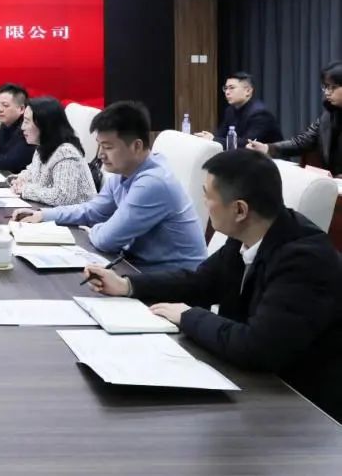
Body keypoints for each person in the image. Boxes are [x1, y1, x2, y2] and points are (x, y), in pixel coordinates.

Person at [83, 149, 342, 421]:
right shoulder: (248, 234)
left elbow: (258, 347)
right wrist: (127, 285)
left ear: (240, 210)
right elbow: (200, 282)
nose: (203, 202)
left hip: (302, 408)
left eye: (208, 195)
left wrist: (188, 316)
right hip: (254, 385)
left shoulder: (304, 260)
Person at [13, 101, 206, 271]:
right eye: (100, 146)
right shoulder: (123, 172)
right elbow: (93, 211)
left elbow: (107, 240)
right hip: (136, 267)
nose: (100, 155)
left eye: (108, 147)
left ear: (137, 146)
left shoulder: (153, 183)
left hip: (172, 283)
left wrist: (96, 229)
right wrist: (43, 215)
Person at [247, 60, 342, 177]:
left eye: (333, 87)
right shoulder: (329, 115)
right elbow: (303, 142)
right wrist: (267, 148)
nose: (327, 92)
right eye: (325, 87)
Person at [10, 96, 96, 206]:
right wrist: (20, 179)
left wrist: (26, 190)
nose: (22, 127)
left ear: (43, 124)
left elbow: (63, 197)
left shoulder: (66, 153)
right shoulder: (42, 147)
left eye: (27, 121)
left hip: (80, 216)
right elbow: (32, 172)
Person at [194, 71, 281, 148]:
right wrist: (208, 137)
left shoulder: (260, 114)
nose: (227, 92)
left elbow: (247, 143)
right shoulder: (230, 110)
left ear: (248, 91)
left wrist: (213, 139)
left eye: (232, 88)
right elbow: (221, 134)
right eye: (225, 88)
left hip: (269, 159)